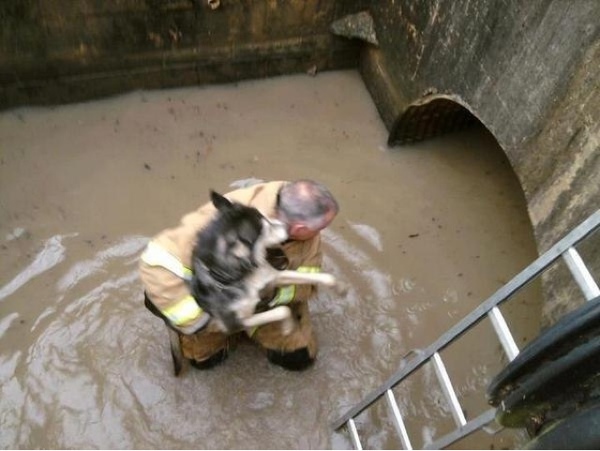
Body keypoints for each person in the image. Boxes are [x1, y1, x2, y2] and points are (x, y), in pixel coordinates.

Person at [139, 179, 339, 371]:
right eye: (320, 228)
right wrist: (202, 322)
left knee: (299, 359)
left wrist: (270, 296)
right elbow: (156, 262)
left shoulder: (303, 211)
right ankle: (228, 335)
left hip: (269, 303)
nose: (321, 233)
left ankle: (254, 328)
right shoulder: (223, 221)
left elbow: (308, 277)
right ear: (300, 229)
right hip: (213, 307)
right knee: (206, 363)